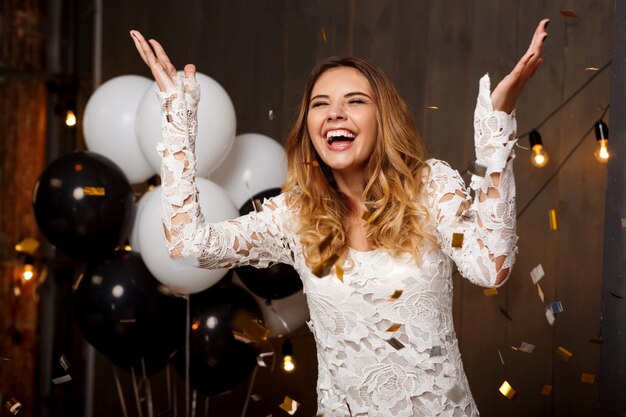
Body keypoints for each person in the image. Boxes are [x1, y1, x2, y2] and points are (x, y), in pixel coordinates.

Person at [130, 18, 549, 417]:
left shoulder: (430, 187)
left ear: (383, 119)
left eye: (355, 101)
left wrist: (497, 122)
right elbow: (188, 246)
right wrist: (176, 117)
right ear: (310, 125)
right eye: (320, 104)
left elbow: (491, 267)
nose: (335, 113)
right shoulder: (294, 215)